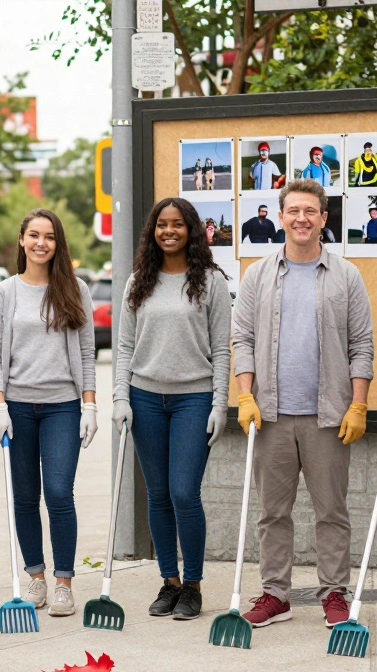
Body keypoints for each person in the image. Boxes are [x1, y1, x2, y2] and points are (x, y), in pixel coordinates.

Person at [231, 178, 374, 630]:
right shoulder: (257, 275)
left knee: (331, 510)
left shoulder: (346, 276)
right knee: (272, 512)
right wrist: (245, 395)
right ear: (280, 216)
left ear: (323, 219)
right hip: (270, 416)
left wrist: (358, 405)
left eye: (310, 211)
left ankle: (334, 591)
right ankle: (275, 594)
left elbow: (362, 344)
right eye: (293, 210)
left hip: (327, 416)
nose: (301, 219)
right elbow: (243, 339)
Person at [113, 197, 231, 621]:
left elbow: (222, 349)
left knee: (184, 492)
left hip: (193, 400)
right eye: (161, 224)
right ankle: (170, 582)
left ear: (191, 230)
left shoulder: (211, 281)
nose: (168, 231)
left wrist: (220, 405)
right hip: (145, 398)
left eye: (177, 225)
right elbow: (125, 347)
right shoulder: (137, 282)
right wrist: (120, 398)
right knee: (158, 494)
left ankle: (194, 584)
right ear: (153, 231)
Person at [0, 209, 98, 618]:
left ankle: (64, 581)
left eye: (49, 237)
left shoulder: (75, 289)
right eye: (34, 235)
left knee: (58, 493)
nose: (41, 243)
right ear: (21, 240)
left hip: (62, 407)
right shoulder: (5, 293)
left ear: (57, 243)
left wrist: (89, 403)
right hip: (16, 408)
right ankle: (36, 576)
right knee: (25, 496)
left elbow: (87, 350)